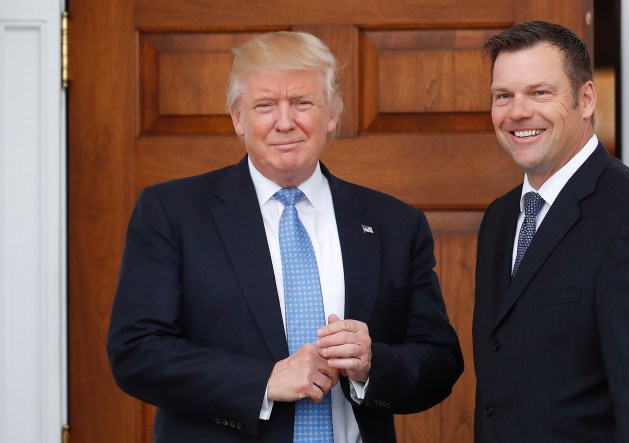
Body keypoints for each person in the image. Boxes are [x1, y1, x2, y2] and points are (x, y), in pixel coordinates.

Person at [107, 31, 463, 443]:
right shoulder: (172, 213)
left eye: (302, 102)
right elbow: (136, 352)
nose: (284, 121)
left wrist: (371, 365)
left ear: (331, 115)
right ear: (238, 119)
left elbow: (439, 360)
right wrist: (265, 379)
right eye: (264, 105)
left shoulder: (395, 224)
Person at [472, 21, 629, 442]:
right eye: (503, 96)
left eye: (540, 92)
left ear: (585, 100)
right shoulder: (500, 219)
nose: (518, 112)